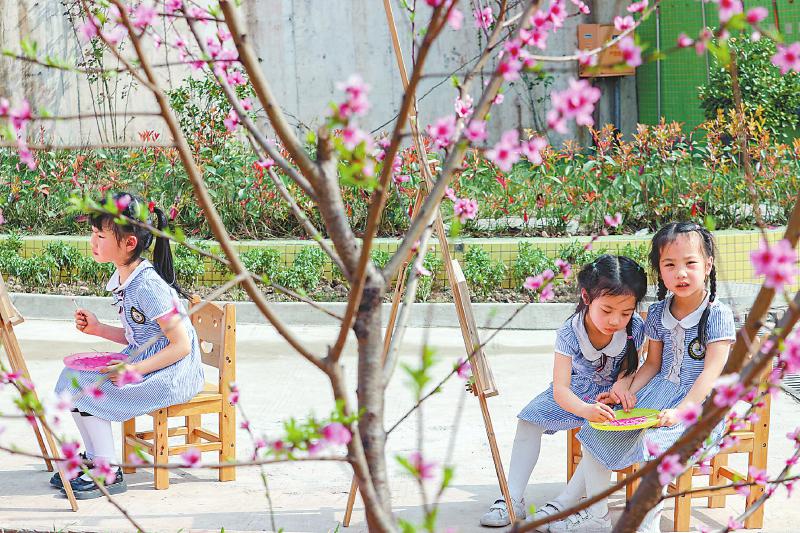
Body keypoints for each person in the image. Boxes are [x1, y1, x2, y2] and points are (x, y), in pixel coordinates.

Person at [548, 222, 736, 533]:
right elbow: (652, 364)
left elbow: (712, 372)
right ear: (659, 270)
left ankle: (646, 528)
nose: (681, 273)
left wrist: (683, 410)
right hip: (658, 394)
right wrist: (624, 391)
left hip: (700, 403)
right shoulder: (660, 311)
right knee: (597, 430)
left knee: (654, 447)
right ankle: (596, 517)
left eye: (690, 263)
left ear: (708, 265)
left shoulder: (717, 314)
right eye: (670, 264)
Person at [52, 192, 204, 499]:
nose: (92, 241)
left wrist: (132, 369)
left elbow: (181, 345)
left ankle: (108, 471)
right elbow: (140, 335)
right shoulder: (128, 277)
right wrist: (99, 329)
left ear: (128, 243)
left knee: (90, 384)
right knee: (71, 377)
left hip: (171, 374)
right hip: (151, 362)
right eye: (92, 234)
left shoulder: (147, 285)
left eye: (99, 235)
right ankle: (97, 459)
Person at [480, 255, 647, 527]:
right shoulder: (570, 332)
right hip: (574, 395)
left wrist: (622, 384)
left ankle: (563, 504)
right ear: (586, 297)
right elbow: (560, 389)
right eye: (606, 310)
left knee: (598, 435)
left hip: (610, 401)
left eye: (625, 313)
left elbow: (630, 367)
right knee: (529, 420)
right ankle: (511, 499)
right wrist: (585, 410)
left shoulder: (636, 327)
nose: (616, 320)